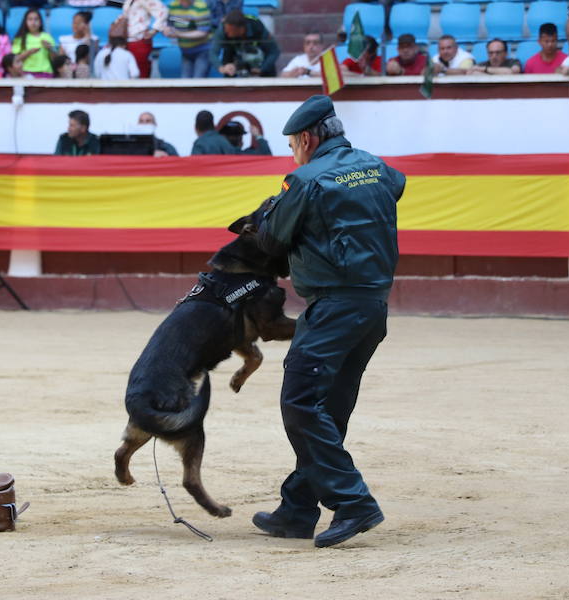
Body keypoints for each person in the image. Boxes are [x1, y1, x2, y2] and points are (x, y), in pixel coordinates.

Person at [251, 95, 405, 548]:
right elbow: (397, 185)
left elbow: (270, 239)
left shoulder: (304, 179)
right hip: (372, 307)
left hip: (333, 306)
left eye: (294, 146)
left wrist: (268, 213)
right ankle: (298, 507)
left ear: (306, 138)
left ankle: (353, 503)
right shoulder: (376, 167)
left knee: (300, 403)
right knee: (329, 409)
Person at [210, 9, 280, 77]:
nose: (226, 32)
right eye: (226, 29)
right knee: (229, 70)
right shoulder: (222, 30)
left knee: (268, 71)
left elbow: (274, 51)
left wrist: (262, 68)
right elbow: (213, 53)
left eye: (230, 30)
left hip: (260, 58)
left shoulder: (257, 27)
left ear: (241, 29)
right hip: (232, 54)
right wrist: (222, 68)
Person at [165, 0, 213, 79]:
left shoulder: (200, 6)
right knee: (185, 80)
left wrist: (179, 34)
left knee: (198, 79)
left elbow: (203, 32)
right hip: (185, 51)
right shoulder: (173, 6)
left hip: (203, 50)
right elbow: (172, 23)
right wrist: (167, 30)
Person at [122, 0, 168, 78]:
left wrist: (154, 30)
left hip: (139, 40)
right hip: (126, 40)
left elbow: (163, 11)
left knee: (141, 73)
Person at [12, 8, 57, 78]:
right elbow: (15, 60)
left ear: (40, 22)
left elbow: (55, 60)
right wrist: (29, 52)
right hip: (26, 73)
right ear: (25, 22)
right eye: (30, 19)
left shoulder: (47, 37)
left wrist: (50, 48)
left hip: (46, 72)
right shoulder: (19, 39)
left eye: (36, 19)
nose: (33, 22)